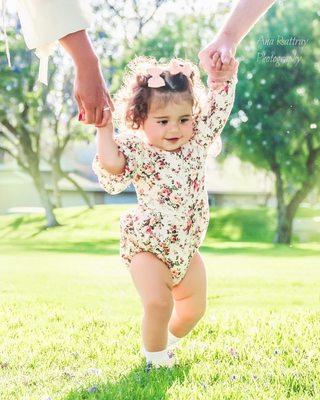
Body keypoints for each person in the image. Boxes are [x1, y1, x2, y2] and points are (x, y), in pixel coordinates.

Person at [91, 55, 238, 371]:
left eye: (184, 119)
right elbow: (112, 164)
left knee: (192, 311)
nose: (175, 128)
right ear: (140, 120)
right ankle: (155, 362)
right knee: (159, 303)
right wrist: (103, 129)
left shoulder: (196, 143)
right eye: (163, 121)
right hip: (149, 247)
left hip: (186, 248)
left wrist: (223, 80)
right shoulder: (140, 150)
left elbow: (218, 112)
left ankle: (163, 344)